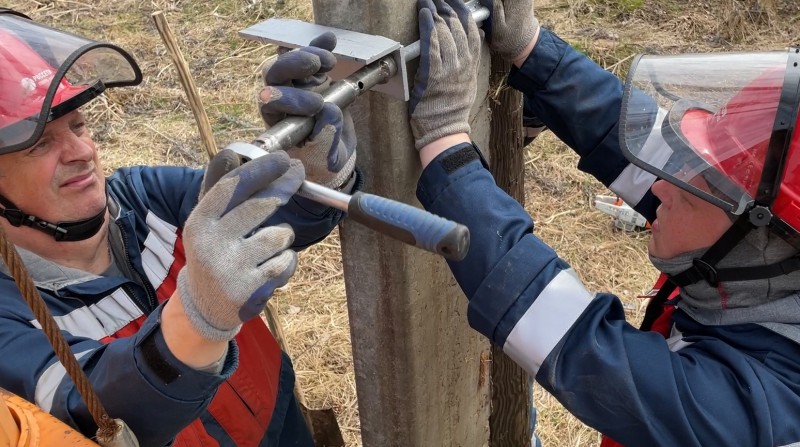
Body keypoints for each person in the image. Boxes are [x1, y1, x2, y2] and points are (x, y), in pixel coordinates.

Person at [406, 0, 800, 445]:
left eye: (698, 184)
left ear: (768, 242)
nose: (663, 186)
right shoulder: (758, 269)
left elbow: (575, 341)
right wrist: (532, 50)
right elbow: (647, 148)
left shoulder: (760, 415)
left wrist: (445, 141)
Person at [0, 9, 359, 446]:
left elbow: (285, 219)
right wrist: (197, 319)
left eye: (78, 124)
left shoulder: (145, 198)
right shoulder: (10, 311)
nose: (80, 151)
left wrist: (313, 171)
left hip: (277, 422)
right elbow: (92, 411)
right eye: (40, 143)